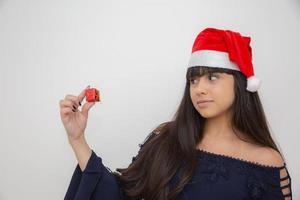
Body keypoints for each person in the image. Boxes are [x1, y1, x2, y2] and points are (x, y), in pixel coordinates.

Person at [59, 27, 292, 200]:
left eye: (212, 77)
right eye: (193, 79)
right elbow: (123, 194)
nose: (199, 88)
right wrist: (77, 139)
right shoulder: (166, 137)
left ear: (241, 83)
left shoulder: (266, 161)